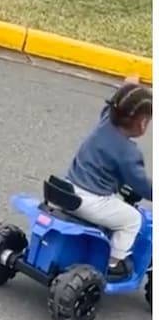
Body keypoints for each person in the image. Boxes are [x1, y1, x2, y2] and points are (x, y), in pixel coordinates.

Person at [63, 75, 152, 278]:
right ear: (142, 123)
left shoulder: (106, 120)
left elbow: (118, 102)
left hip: (69, 187)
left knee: (115, 207)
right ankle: (113, 262)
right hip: (92, 200)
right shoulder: (129, 153)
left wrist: (129, 86)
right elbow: (141, 186)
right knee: (132, 219)